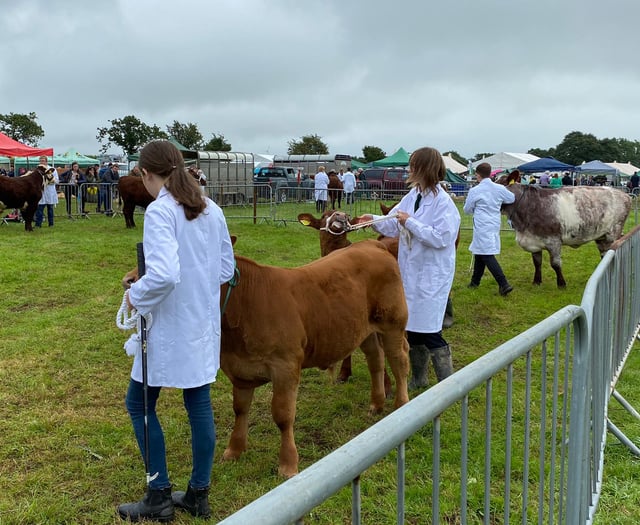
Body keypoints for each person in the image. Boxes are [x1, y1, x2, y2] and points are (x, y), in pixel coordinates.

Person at [117, 140, 235, 522]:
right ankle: (198, 494)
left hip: (169, 327)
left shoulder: (161, 212)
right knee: (197, 403)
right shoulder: (210, 208)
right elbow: (224, 269)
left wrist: (137, 293)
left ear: (147, 175)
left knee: (139, 405)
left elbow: (166, 274)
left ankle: (159, 493)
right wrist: (193, 291)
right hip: (200, 322)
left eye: (142, 177)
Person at [357, 147, 461, 390]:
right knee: (412, 327)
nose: (409, 170)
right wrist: (371, 220)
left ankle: (449, 383)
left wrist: (410, 222)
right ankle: (419, 378)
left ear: (425, 168)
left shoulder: (443, 203)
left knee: (429, 330)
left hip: (431, 274)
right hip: (411, 271)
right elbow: (393, 223)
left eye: (413, 165)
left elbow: (441, 238)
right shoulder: (413, 195)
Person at [463, 162, 515, 296]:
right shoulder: (499, 188)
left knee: (486, 254)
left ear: (477, 175)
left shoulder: (475, 190)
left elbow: (467, 210)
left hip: (481, 224)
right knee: (480, 252)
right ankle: (475, 282)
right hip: (494, 222)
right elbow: (511, 198)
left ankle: (503, 283)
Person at [34, 156, 59, 227]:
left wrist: (50, 181)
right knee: (39, 208)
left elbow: (57, 180)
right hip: (41, 191)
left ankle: (51, 224)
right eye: (41, 161)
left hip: (50, 190)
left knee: (50, 208)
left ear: (46, 161)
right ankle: (38, 224)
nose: (42, 162)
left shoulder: (52, 169)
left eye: (43, 160)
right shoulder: (37, 170)